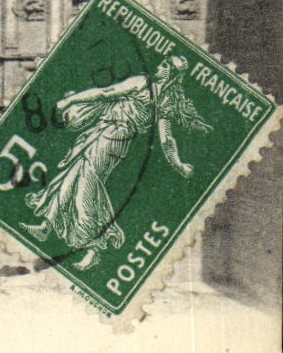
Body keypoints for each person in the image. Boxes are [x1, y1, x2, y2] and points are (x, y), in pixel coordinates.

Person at [21, 55, 209, 270]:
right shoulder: (152, 90)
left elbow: (107, 95)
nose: (161, 66)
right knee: (72, 176)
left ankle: (93, 247)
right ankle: (47, 226)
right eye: (163, 62)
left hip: (113, 138)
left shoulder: (153, 92)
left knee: (85, 188)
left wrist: (71, 100)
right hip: (103, 134)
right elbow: (109, 95)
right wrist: (179, 164)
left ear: (174, 75)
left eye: (167, 65)